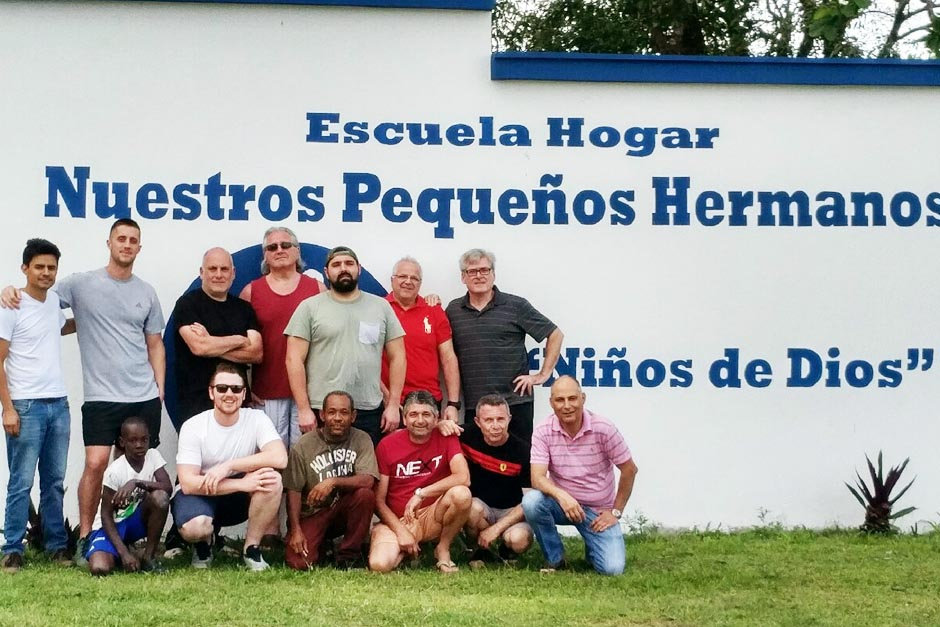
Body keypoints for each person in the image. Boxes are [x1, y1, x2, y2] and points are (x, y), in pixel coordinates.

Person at [1, 219, 166, 554]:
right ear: (109, 243)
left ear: (139, 247)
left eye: (133, 240)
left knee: (139, 466)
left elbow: (155, 344)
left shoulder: (146, 291)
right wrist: (8, 290)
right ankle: (85, 536)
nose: (127, 244)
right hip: (99, 397)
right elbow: (37, 300)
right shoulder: (79, 284)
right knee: (95, 464)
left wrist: (159, 388)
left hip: (142, 394)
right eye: (121, 238)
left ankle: (136, 540)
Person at [0, 239, 75, 573]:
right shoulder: (10, 305)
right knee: (21, 482)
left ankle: (56, 545)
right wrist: (8, 408)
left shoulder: (53, 302)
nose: (46, 273)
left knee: (55, 481)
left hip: (58, 404)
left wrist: (101, 319)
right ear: (25, 269)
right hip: (25, 406)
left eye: (52, 268)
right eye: (39, 267)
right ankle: (13, 548)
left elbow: (63, 327)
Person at [285, 245, 406, 446]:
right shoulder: (309, 307)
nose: (343, 268)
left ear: (358, 268)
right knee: (321, 473)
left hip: (368, 409)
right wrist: (304, 409)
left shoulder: (381, 307)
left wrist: (393, 404)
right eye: (336, 265)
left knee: (365, 474)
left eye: (349, 264)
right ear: (326, 272)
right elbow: (293, 359)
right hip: (322, 409)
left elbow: (398, 356)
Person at [172, 362, 287, 571]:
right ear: (211, 392)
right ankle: (204, 545)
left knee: (272, 480)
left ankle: (251, 548)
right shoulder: (193, 426)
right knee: (195, 527)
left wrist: (229, 466)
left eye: (236, 389)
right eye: (222, 388)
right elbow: (188, 483)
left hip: (235, 499)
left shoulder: (256, 419)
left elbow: (280, 457)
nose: (229, 394)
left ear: (244, 394)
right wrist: (242, 484)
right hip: (201, 494)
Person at [445, 248, 563, 445]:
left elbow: (555, 334)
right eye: (472, 271)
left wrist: (543, 374)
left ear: (493, 274)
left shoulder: (516, 306)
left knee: (520, 465)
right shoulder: (453, 310)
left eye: (484, 270)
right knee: (478, 467)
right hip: (476, 406)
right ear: (463, 277)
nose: (479, 276)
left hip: (515, 403)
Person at [522, 376, 638, 576]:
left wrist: (615, 512)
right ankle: (555, 559)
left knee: (612, 569)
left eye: (572, 398)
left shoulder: (603, 428)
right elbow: (537, 478)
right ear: (551, 403)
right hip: (563, 506)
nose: (567, 406)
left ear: (583, 398)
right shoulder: (543, 431)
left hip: (597, 511)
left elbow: (629, 470)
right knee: (532, 501)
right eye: (560, 400)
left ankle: (593, 549)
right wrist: (563, 497)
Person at [368, 390, 471, 574]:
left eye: (426, 414)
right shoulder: (387, 445)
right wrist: (401, 531)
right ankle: (407, 550)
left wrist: (421, 493)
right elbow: (378, 501)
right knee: (380, 565)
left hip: (433, 514)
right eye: (413, 414)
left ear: (436, 417)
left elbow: (463, 477)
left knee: (462, 494)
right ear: (404, 418)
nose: (420, 420)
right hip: (400, 519)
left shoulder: (447, 437)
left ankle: (443, 548)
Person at [239, 227, 323, 449]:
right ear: (265, 255)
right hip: (266, 391)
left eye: (285, 245)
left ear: (297, 251)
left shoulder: (317, 289)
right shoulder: (251, 292)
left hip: (309, 392)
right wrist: (245, 386)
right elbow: (242, 346)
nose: (279, 250)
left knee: (303, 460)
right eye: (272, 247)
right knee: (271, 458)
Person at [283, 390, 378, 570]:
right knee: (300, 563)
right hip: (311, 513)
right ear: (322, 415)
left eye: (344, 412)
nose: (337, 418)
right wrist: (296, 530)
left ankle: (348, 556)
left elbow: (368, 481)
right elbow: (293, 490)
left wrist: (333, 481)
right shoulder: (304, 445)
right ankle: (322, 547)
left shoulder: (362, 439)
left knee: (365, 495)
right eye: (332, 412)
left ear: (353, 416)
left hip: (343, 508)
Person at [172, 247, 261, 427]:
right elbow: (199, 347)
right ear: (201, 272)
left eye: (224, 269)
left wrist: (211, 344)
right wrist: (238, 340)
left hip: (237, 403)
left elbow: (256, 353)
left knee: (240, 456)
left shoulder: (244, 308)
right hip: (196, 404)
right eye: (212, 269)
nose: (218, 275)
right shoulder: (187, 304)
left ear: (233, 273)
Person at [85, 416, 171, 575]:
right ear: (122, 442)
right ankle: (123, 552)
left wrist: (136, 482)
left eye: (144, 439)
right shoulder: (115, 471)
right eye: (133, 440)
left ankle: (148, 557)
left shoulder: (153, 456)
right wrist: (124, 554)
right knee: (99, 568)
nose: (139, 445)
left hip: (135, 522)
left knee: (161, 497)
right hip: (112, 527)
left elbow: (167, 487)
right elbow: (105, 515)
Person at [381, 256, 461, 423]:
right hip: (389, 403)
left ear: (420, 283)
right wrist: (388, 399)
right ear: (392, 280)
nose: (408, 282)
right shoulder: (378, 309)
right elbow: (367, 359)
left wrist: (453, 403)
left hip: (428, 402)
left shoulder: (434, 311)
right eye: (403, 276)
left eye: (414, 278)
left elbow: (448, 357)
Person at [459, 394, 533, 564]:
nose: (495, 426)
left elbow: (530, 501)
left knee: (519, 540)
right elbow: (436, 432)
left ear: (509, 419)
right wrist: (442, 424)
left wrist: (497, 529)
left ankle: (506, 551)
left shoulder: (523, 451)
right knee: (470, 507)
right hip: (482, 509)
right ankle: (478, 551)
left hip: (512, 512)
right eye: (489, 420)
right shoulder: (465, 436)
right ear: (478, 422)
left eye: (500, 419)